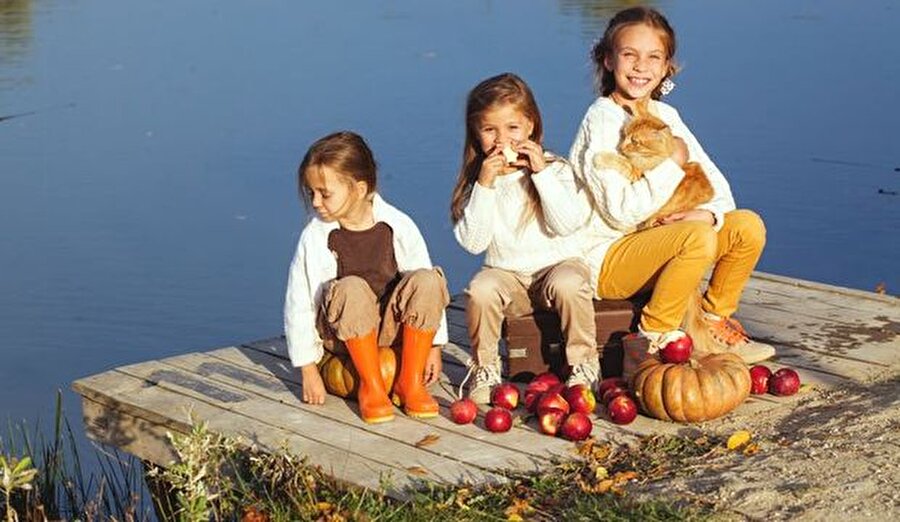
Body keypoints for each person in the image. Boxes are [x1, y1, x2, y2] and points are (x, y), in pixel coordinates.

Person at [568, 6, 773, 366]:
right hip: (608, 258)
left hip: (657, 243)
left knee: (746, 226)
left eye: (653, 57)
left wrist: (706, 215)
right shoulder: (601, 119)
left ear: (667, 68)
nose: (640, 67)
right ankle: (654, 337)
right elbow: (620, 211)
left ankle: (710, 323)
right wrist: (672, 164)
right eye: (629, 55)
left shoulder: (666, 117)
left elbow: (720, 190)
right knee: (695, 238)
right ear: (608, 60)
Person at [284, 131, 450, 424]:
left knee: (427, 279)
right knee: (352, 288)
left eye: (325, 193)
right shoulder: (315, 236)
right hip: (342, 332)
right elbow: (299, 302)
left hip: (389, 325)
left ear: (359, 189)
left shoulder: (398, 224)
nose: (316, 202)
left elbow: (427, 296)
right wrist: (307, 369)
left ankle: (409, 382)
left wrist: (434, 347)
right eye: (312, 193)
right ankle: (371, 387)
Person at [451, 73, 598, 403]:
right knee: (481, 288)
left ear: (530, 125)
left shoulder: (555, 170)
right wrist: (485, 185)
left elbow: (566, 224)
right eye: (490, 130)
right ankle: (485, 367)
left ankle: (585, 364)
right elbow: (474, 243)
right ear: (476, 134)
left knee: (570, 283)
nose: (503, 140)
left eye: (512, 128)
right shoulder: (478, 185)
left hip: (557, 269)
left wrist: (540, 174)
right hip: (509, 278)